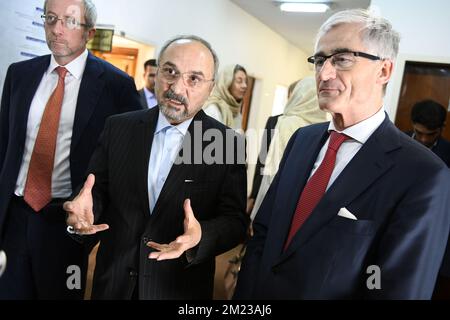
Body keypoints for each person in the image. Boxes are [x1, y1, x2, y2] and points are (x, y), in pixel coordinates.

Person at [234, 9, 450, 300]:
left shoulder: (423, 174)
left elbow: (396, 287)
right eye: (319, 60)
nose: (323, 74)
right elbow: (264, 233)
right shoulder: (302, 139)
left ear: (384, 70)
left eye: (342, 59)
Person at [63, 35, 248, 300]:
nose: (177, 87)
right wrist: (82, 215)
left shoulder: (226, 143)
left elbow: (235, 221)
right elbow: (96, 192)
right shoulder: (118, 127)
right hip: (113, 284)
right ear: (156, 72)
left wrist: (200, 236)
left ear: (211, 88)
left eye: (194, 78)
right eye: (170, 71)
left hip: (179, 287)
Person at [0, 0, 142, 299]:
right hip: (13, 219)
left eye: (69, 21)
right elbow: (4, 146)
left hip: (66, 225)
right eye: (50, 18)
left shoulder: (117, 86)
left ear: (89, 31)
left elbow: (127, 164)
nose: (57, 29)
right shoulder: (19, 75)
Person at [250, 77, 329, 219]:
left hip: (278, 204)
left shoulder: (287, 123)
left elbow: (271, 173)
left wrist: (258, 212)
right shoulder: (326, 129)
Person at [247, 79, 302, 215]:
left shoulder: (316, 127)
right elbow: (263, 159)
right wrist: (254, 195)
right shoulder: (275, 121)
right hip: (267, 185)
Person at [204, 64, 248, 129]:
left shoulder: (237, 114)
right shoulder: (213, 109)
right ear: (227, 83)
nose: (245, 86)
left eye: (245, 81)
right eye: (239, 81)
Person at [409, 99, 450, 167]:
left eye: (431, 134)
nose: (424, 139)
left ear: (443, 127)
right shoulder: (396, 142)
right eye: (419, 132)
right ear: (413, 124)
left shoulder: (448, 152)